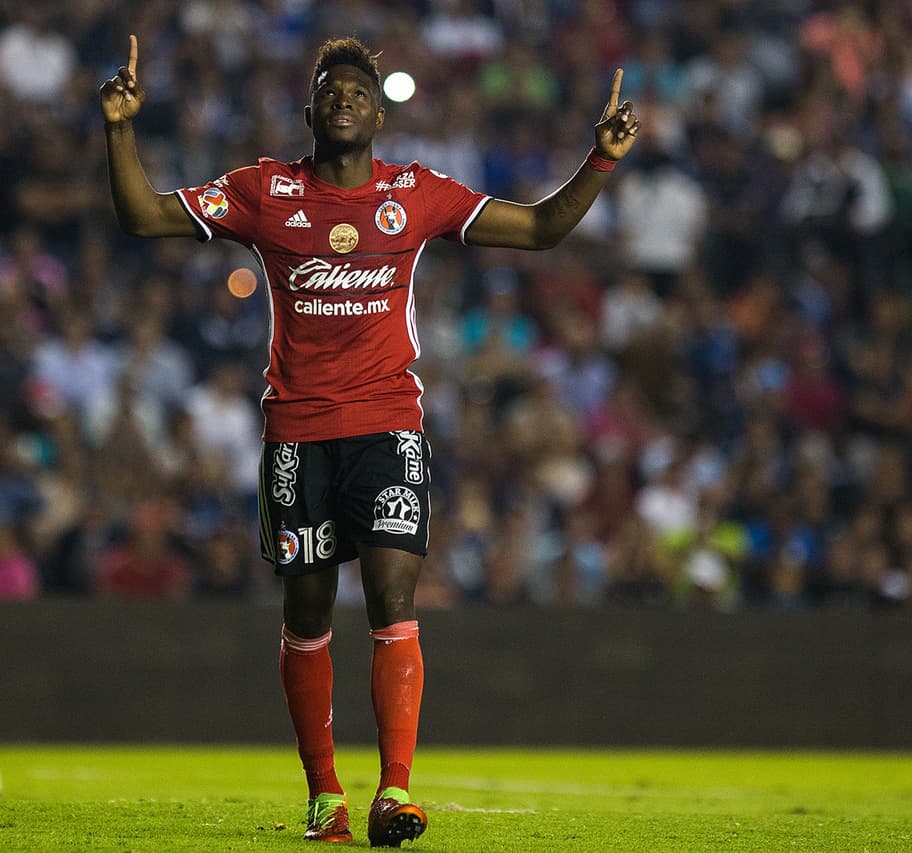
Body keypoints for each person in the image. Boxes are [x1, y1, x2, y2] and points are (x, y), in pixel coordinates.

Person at [102, 34, 639, 846]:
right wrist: (118, 127)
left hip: (389, 425)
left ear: (380, 113)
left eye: (358, 90)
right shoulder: (263, 190)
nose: (344, 99)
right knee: (309, 611)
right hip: (298, 433)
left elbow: (536, 231)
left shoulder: (416, 194)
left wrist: (599, 162)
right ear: (311, 110)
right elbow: (142, 215)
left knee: (394, 598)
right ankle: (326, 796)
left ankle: (394, 791)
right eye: (330, 90)